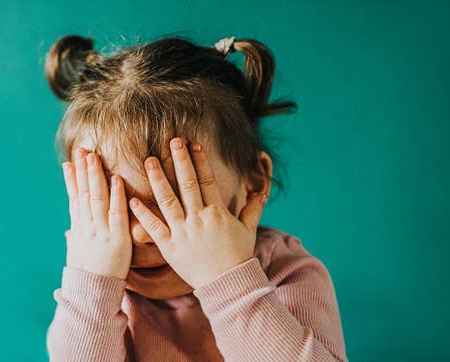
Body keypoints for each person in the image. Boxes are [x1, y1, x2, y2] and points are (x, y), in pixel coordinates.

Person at [43, 34, 347, 362]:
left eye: (175, 198)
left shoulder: (285, 272)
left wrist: (228, 283)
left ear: (254, 180)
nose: (140, 233)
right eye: (112, 205)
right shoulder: (98, 290)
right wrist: (91, 287)